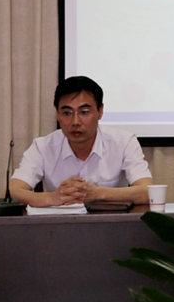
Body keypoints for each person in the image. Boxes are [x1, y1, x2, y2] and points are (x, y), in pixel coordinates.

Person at [10, 76, 153, 207]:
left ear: (100, 111)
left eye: (84, 112)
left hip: (109, 223)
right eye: (67, 113)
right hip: (59, 225)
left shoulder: (124, 142)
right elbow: (11, 192)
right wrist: (52, 198)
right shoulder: (42, 147)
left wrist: (97, 193)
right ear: (57, 114)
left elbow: (148, 192)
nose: (75, 122)